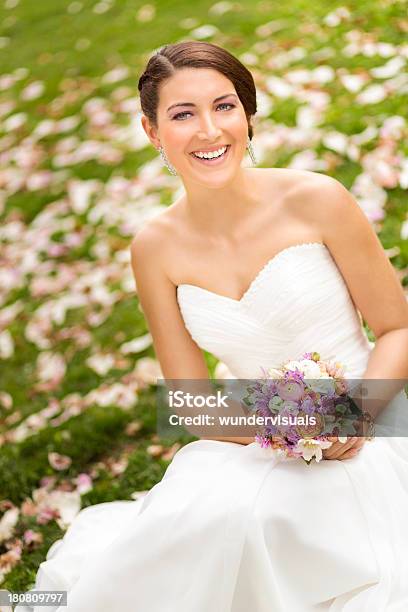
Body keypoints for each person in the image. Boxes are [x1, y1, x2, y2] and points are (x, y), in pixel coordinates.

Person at [17, 41, 408, 612]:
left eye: (225, 107)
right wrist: (290, 425)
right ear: (152, 131)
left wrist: (353, 415)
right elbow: (190, 401)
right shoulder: (154, 249)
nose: (209, 131)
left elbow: (397, 330)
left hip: (374, 409)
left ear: (248, 114)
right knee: (205, 533)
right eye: (183, 114)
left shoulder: (318, 200)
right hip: (257, 435)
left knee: (294, 530)